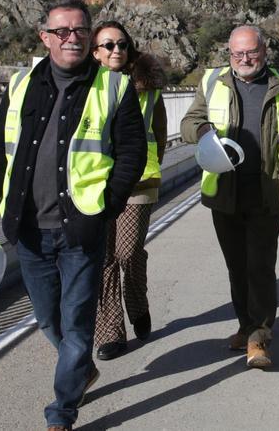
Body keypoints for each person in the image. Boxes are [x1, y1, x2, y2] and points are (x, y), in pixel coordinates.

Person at [0, 0, 146, 431]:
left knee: (78, 322)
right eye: (62, 31)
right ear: (45, 37)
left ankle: (61, 412)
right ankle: (81, 368)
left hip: (82, 227)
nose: (72, 38)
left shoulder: (114, 87)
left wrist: (108, 205)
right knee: (48, 318)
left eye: (80, 31)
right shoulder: (20, 85)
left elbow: (132, 153)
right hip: (28, 227)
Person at [180, 25, 279, 368]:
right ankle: (245, 326)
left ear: (264, 51)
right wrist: (205, 131)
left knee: (260, 266)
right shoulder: (212, 82)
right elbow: (188, 123)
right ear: (229, 54)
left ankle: (260, 336)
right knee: (237, 266)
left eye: (251, 52)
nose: (244, 59)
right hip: (224, 192)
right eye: (237, 53)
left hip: (267, 190)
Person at [90, 20, 169, 360]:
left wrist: (149, 166)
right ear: (95, 52)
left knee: (128, 251)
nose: (116, 51)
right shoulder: (86, 87)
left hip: (139, 180)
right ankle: (110, 332)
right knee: (104, 258)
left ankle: (138, 304)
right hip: (96, 183)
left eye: (122, 44)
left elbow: (160, 134)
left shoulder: (148, 87)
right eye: (108, 45)